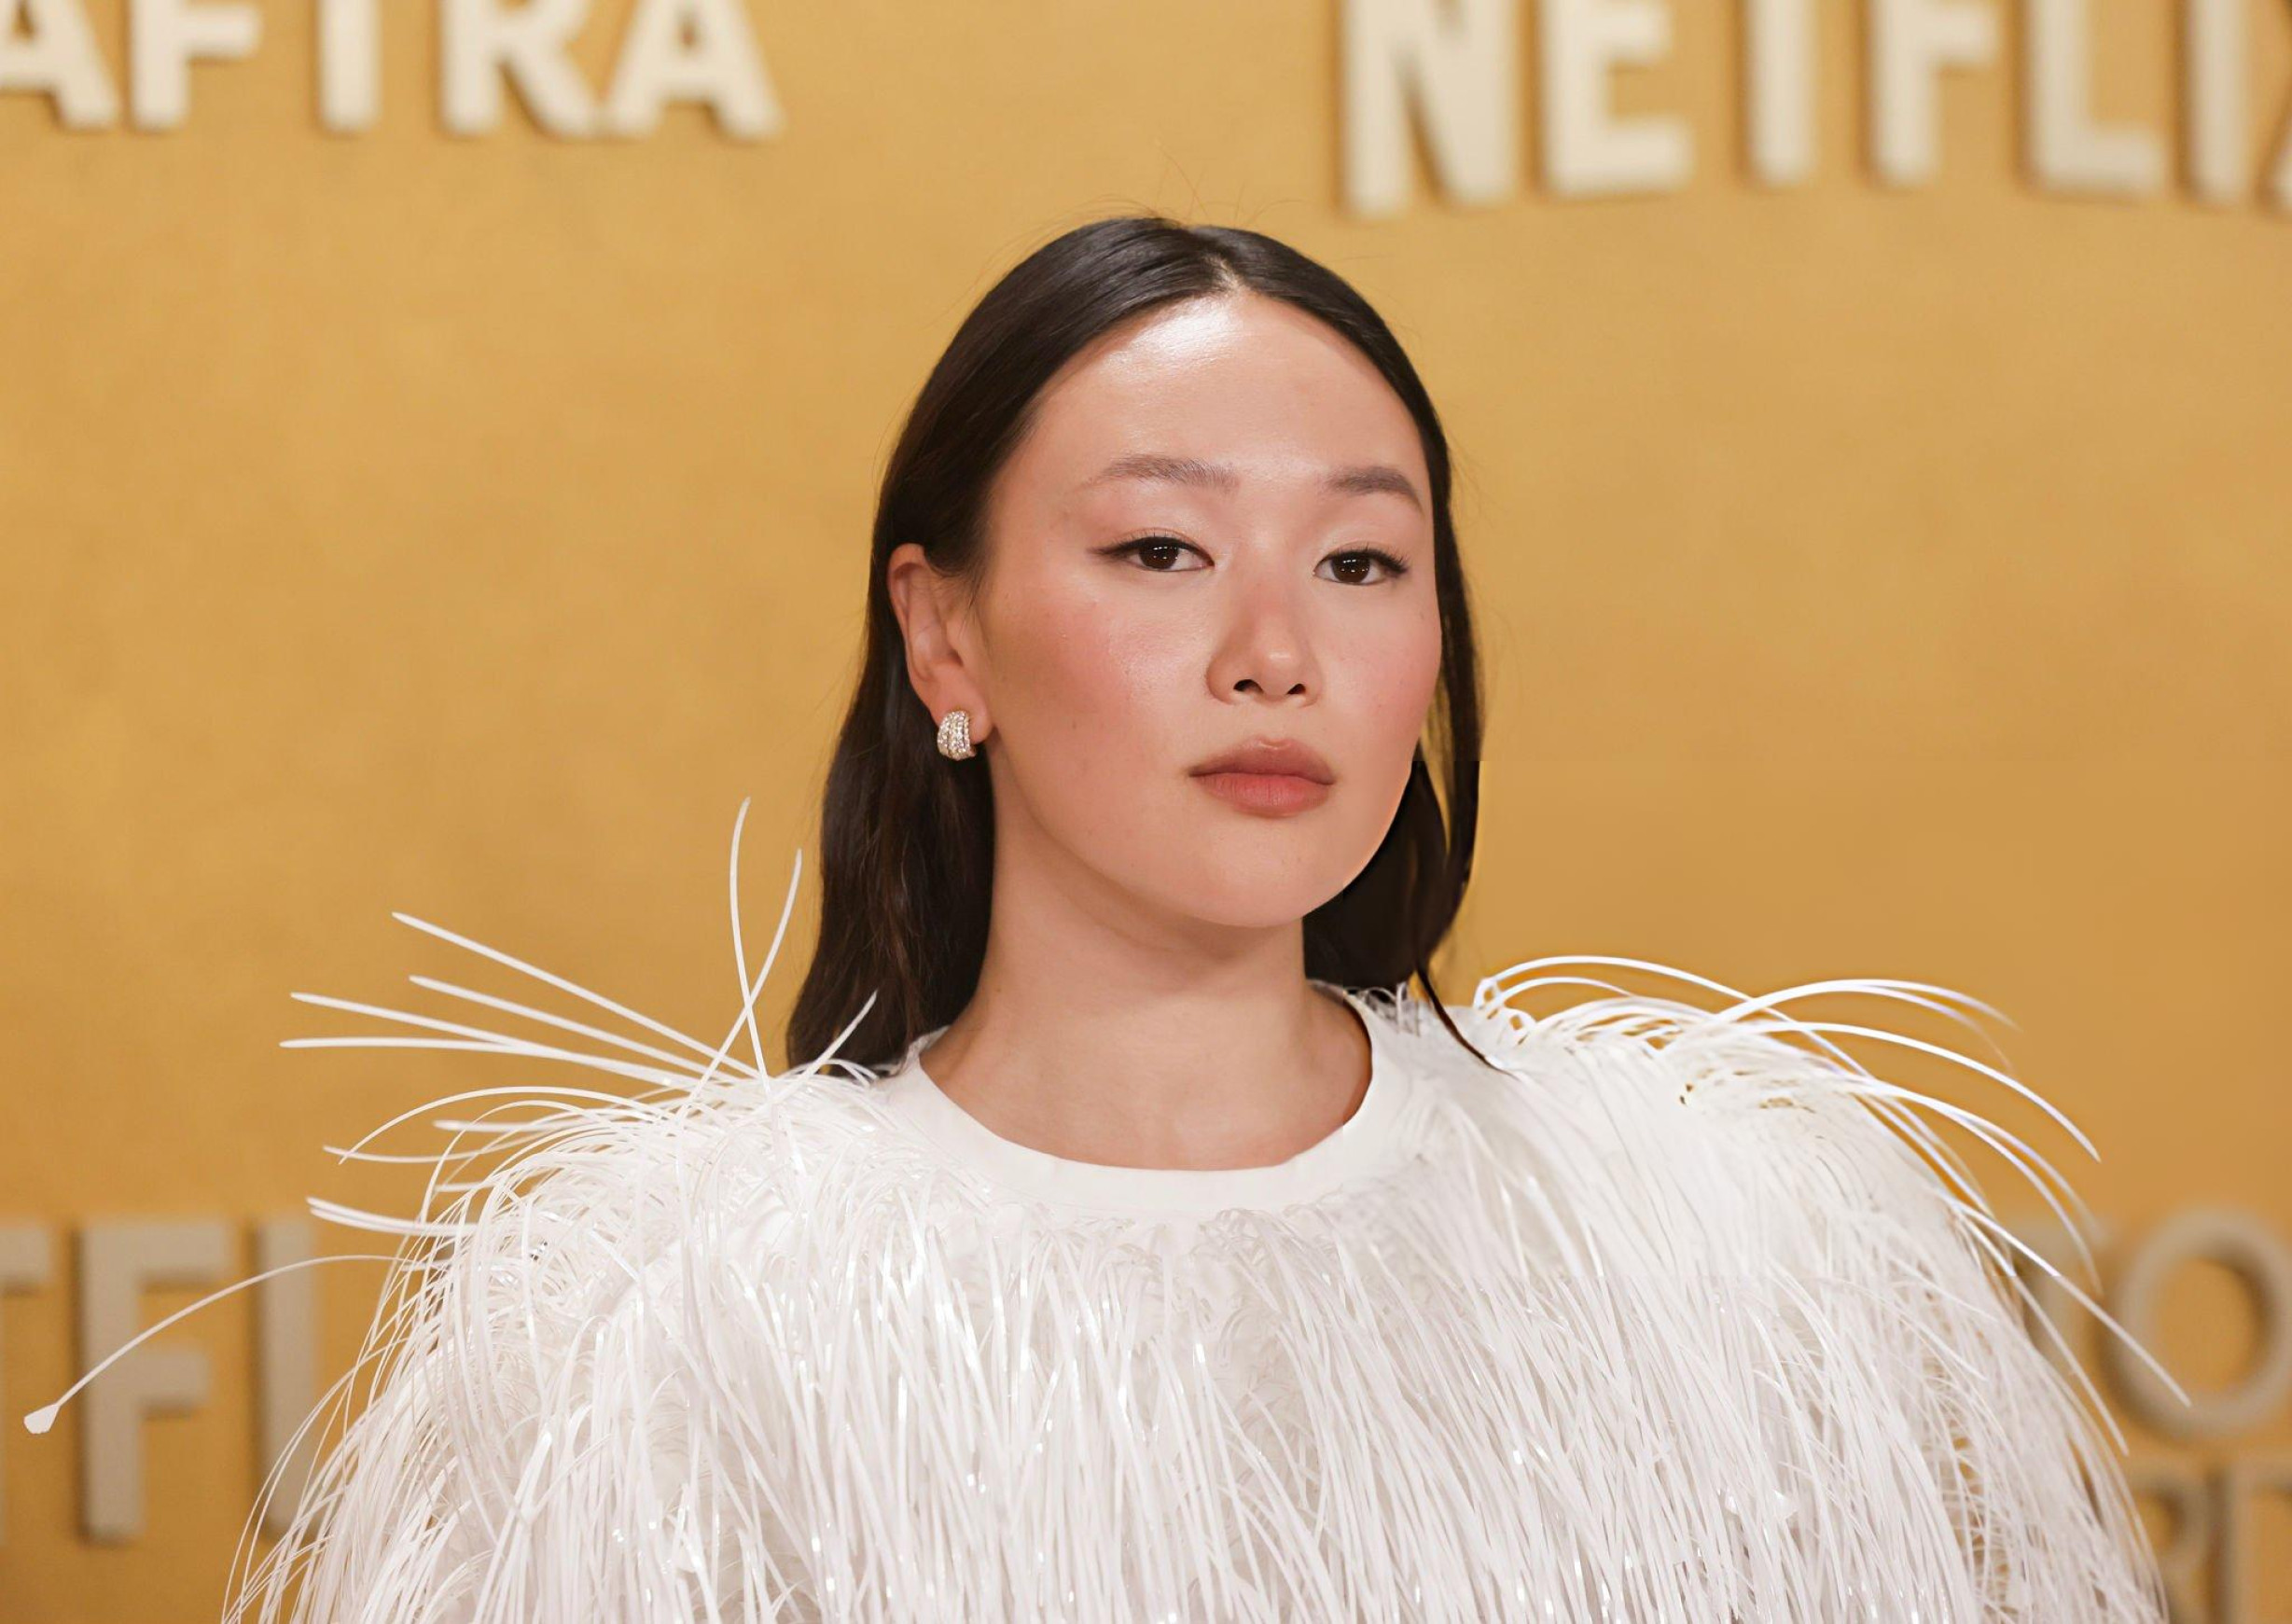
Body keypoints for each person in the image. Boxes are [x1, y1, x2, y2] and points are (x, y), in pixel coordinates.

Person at [28, 215, 2179, 1620]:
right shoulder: (660, 1336)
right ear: (938, 634)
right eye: (1159, 553)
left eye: (1360, 562)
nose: (1276, 650)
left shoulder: (1734, 1255)